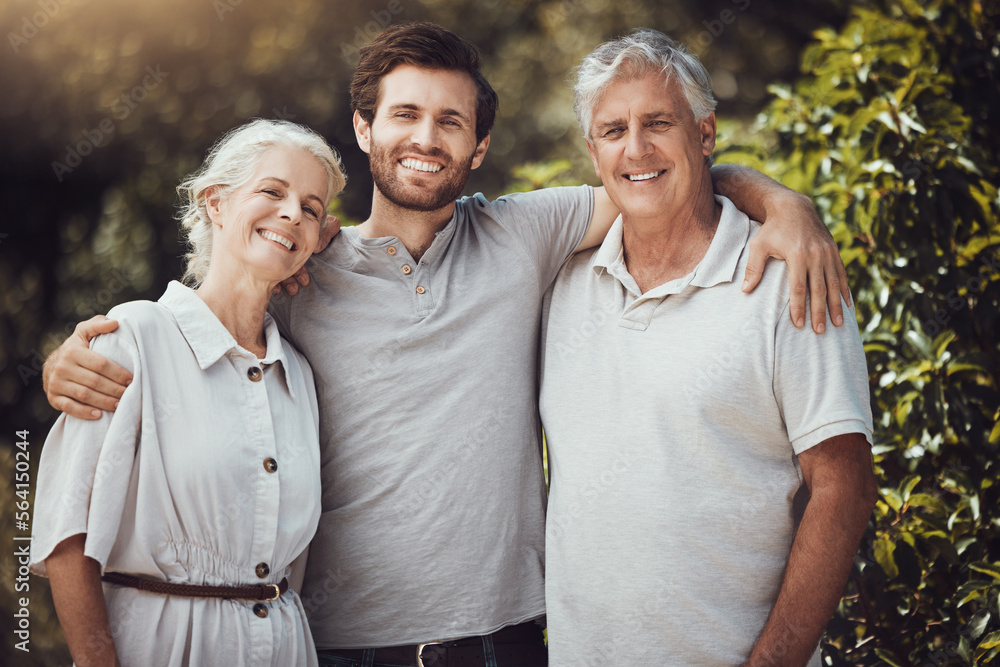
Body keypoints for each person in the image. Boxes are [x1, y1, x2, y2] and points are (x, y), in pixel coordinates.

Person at [43, 23, 853, 667]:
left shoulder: (526, 233)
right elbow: (205, 318)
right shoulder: (304, 267)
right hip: (335, 646)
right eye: (403, 114)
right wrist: (74, 359)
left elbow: (650, 175)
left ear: (479, 147)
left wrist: (783, 205)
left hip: (508, 643)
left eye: (450, 121)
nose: (425, 137)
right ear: (364, 128)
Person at [538, 29, 877, 666]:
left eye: (658, 122)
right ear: (593, 152)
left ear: (705, 133)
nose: (635, 148)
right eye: (614, 131)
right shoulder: (560, 278)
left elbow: (844, 486)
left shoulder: (790, 277)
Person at [30, 119, 346, 667]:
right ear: (216, 203)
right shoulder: (131, 339)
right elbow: (67, 540)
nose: (294, 212)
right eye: (272, 191)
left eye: (312, 207)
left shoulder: (299, 373)